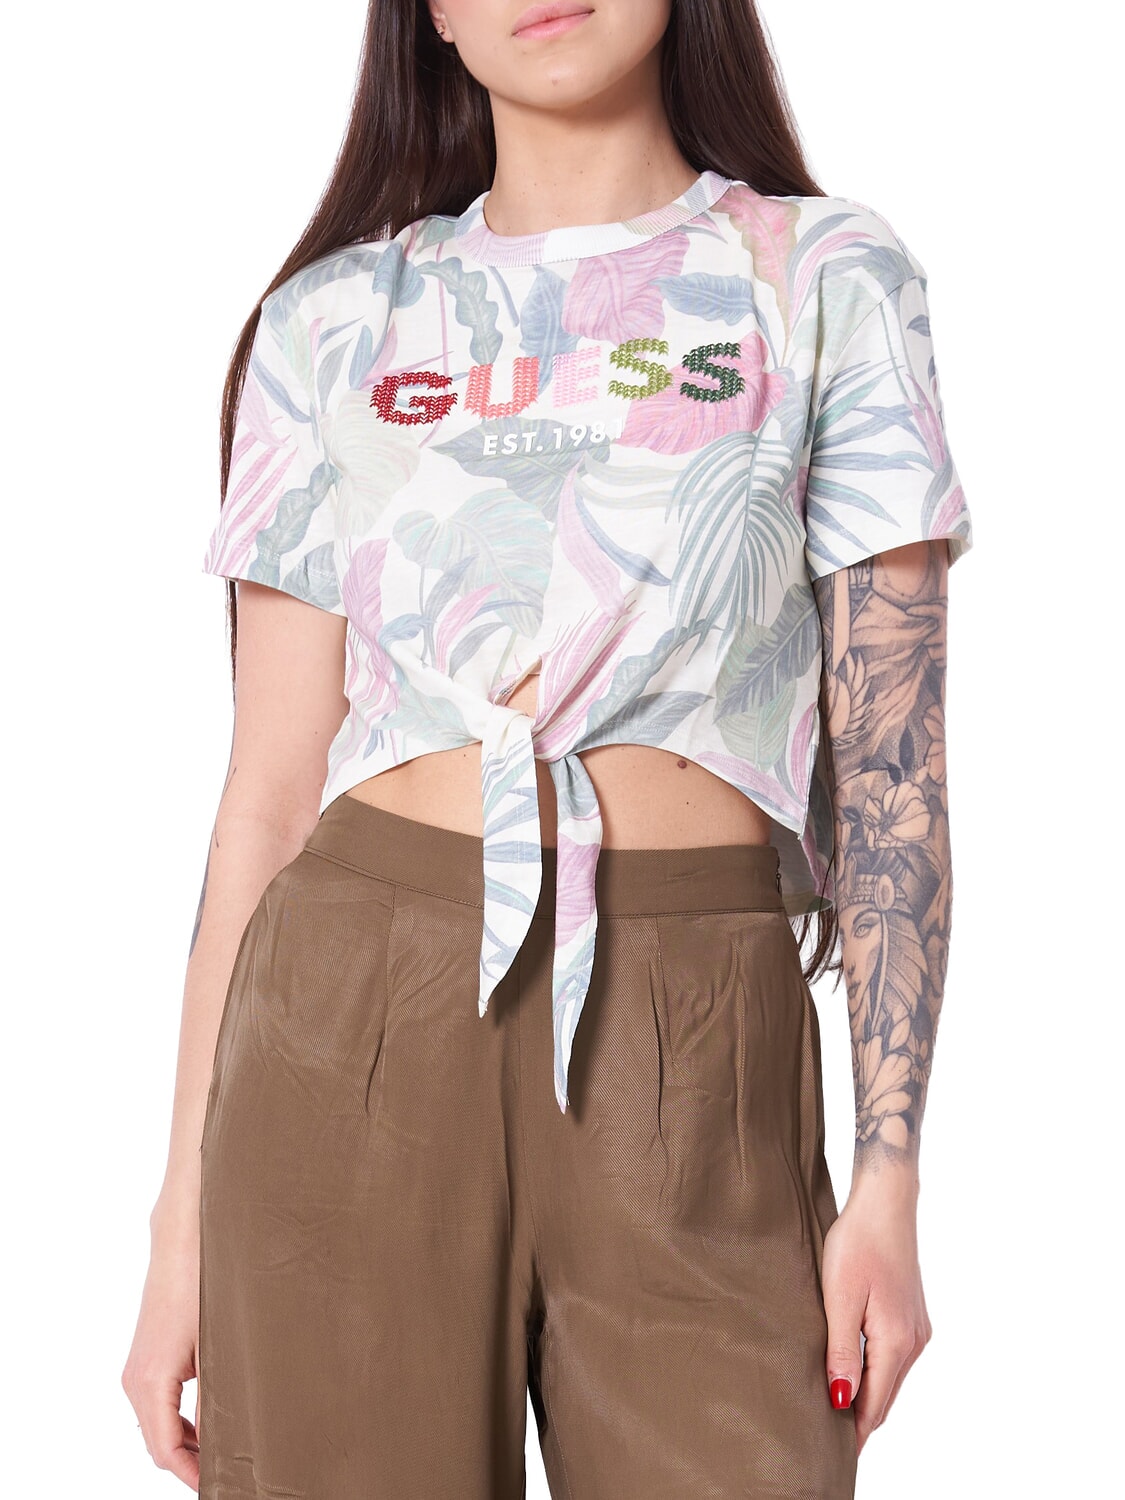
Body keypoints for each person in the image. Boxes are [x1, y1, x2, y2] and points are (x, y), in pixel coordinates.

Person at [120, 2, 975, 1495]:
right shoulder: (333, 322)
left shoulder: (824, 275)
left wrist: (887, 1182)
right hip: (354, 1009)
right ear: (433, 15)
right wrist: (176, 1221)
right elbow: (264, 799)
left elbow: (897, 772)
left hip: (698, 1021)